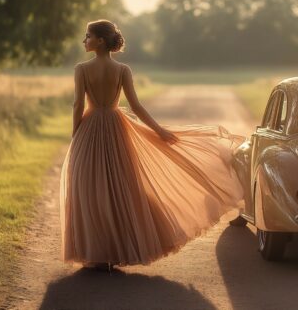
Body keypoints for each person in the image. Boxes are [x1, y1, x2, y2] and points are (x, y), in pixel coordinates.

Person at [59, 19, 245, 271]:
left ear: (100, 41)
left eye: (88, 36)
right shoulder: (123, 69)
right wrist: (159, 130)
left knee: (89, 187)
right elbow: (136, 106)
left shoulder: (81, 69)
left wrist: (76, 132)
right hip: (116, 127)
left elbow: (78, 105)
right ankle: (117, 249)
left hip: (90, 127)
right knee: (121, 186)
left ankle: (97, 253)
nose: (84, 40)